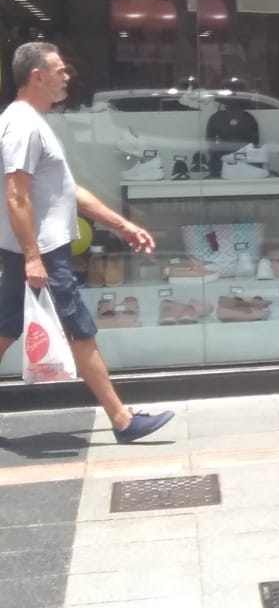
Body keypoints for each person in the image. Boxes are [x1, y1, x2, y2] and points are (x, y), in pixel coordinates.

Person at [0, 43, 173, 443]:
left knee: (7, 327)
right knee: (79, 328)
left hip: (34, 250)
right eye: (59, 70)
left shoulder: (32, 122)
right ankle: (123, 420)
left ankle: (122, 419)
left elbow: (68, 191)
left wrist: (122, 225)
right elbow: (16, 196)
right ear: (37, 76)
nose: (67, 77)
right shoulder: (23, 125)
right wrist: (33, 258)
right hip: (42, 252)